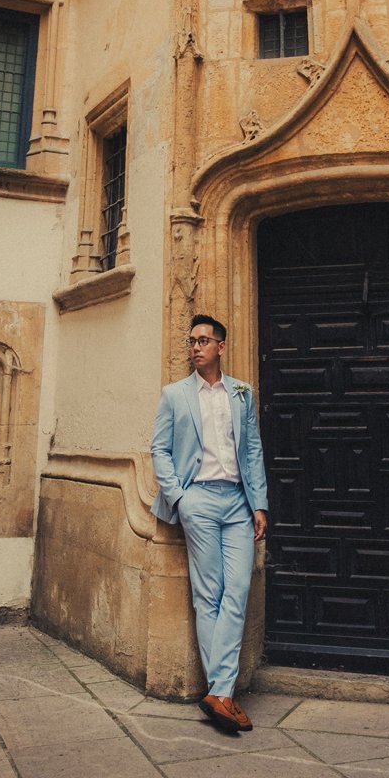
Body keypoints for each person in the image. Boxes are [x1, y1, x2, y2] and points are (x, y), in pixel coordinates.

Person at [150, 312, 269, 735]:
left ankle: (218, 694)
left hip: (237, 501)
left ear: (221, 346)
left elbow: (251, 449)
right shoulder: (175, 395)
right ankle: (223, 692)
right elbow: (159, 449)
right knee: (209, 594)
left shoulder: (242, 392)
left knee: (237, 589)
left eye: (203, 340)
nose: (195, 346)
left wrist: (260, 504)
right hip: (197, 498)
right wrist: (179, 498)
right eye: (191, 340)